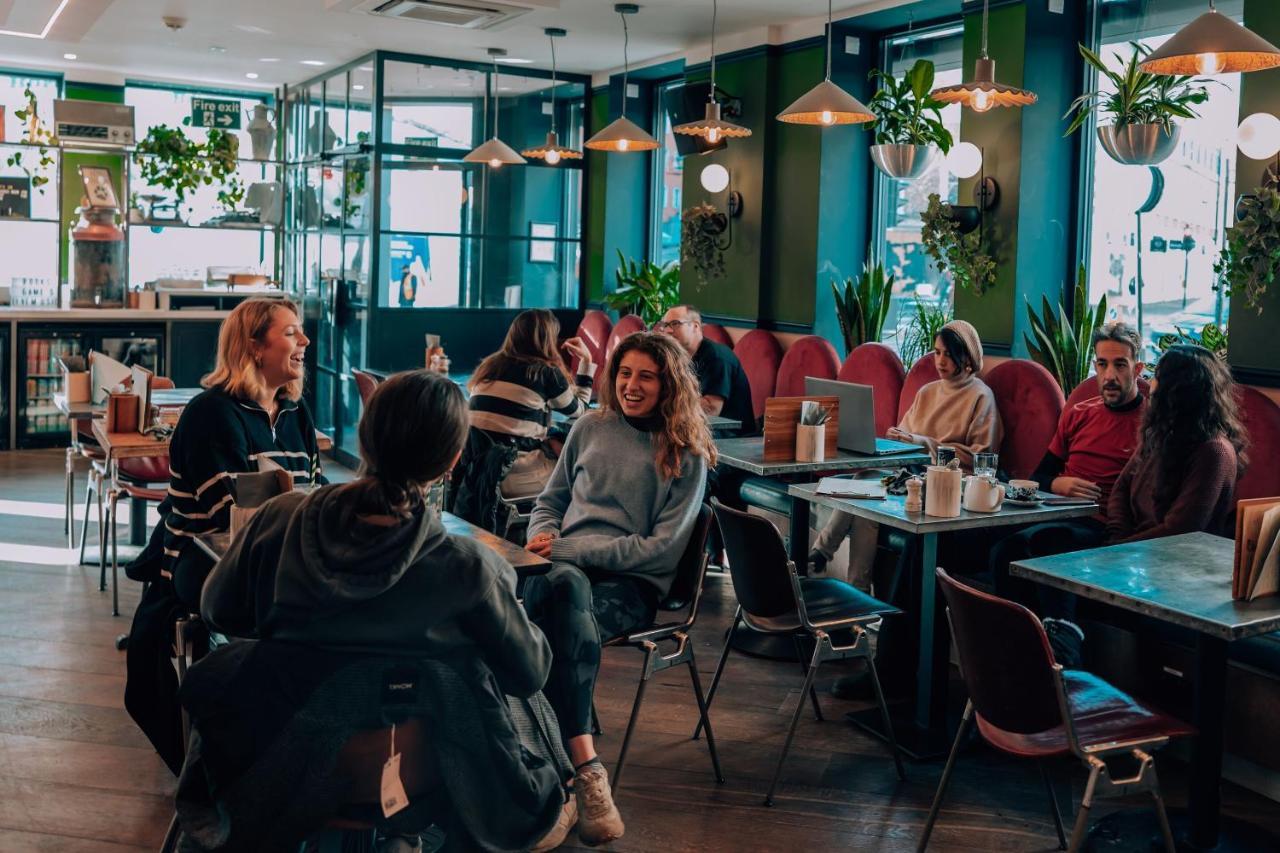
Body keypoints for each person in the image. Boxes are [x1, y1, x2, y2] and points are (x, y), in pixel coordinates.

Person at [201, 370, 576, 852]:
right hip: (417, 773)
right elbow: (530, 672)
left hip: (281, 761)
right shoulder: (470, 568)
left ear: (364, 436)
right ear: (452, 461)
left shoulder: (280, 517)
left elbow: (218, 610)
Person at [521, 332, 716, 846]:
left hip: (632, 585)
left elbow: (661, 549)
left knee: (544, 616)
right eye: (624, 373)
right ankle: (584, 774)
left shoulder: (686, 454)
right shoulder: (589, 426)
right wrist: (540, 536)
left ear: (668, 384)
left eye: (645, 376)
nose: (631, 385)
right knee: (556, 600)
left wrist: (569, 552)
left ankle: (556, 786)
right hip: (564, 571)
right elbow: (550, 500)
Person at [124, 297, 321, 775]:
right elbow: (232, 518)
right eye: (291, 332)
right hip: (201, 565)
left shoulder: (295, 413)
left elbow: (314, 495)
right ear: (254, 346)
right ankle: (254, 758)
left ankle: (305, 745)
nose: (305, 342)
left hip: (276, 561)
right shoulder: (212, 413)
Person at [989, 321, 1148, 663]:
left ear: (1138, 368)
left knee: (1049, 543)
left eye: (1120, 365)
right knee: (1004, 549)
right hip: (1057, 512)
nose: (1109, 375)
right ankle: (1013, 654)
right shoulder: (1079, 414)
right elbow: (1039, 477)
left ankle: (1062, 652)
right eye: (1102, 364)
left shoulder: (1151, 423)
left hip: (1103, 526)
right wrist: (1057, 483)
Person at [808, 319, 1002, 574]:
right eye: (937, 353)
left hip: (944, 483)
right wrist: (897, 437)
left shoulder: (981, 396)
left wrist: (922, 442)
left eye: (948, 354)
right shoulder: (928, 391)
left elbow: (978, 459)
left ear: (967, 356)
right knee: (866, 486)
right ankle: (854, 585)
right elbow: (906, 437)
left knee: (866, 487)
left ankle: (822, 553)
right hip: (907, 472)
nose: (940, 361)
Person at [1106, 343, 1246, 544]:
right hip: (1132, 551)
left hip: (1176, 562)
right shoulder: (1160, 433)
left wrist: (1120, 549)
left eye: (1158, 376)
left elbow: (1180, 530)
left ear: (1177, 391)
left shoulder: (1214, 451)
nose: (1151, 384)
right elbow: (1121, 489)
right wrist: (1115, 538)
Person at [467, 308, 595, 498]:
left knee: (554, 436)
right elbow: (581, 413)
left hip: (476, 474)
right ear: (548, 339)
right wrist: (587, 360)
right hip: (512, 476)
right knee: (578, 454)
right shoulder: (545, 373)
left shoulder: (489, 366)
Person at [656, 304, 755, 435]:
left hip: (730, 433)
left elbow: (711, 409)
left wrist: (667, 400)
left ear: (695, 326)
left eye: (675, 324)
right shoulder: (678, 356)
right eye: (665, 325)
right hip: (697, 426)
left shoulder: (717, 357)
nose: (667, 330)